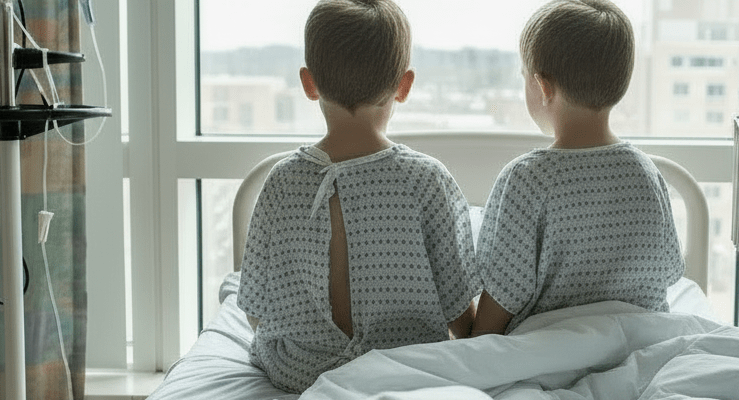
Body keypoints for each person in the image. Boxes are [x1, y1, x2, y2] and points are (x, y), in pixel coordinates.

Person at [237, 0, 478, 392]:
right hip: (404, 371)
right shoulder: (426, 180)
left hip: (300, 373)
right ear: (404, 86)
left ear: (308, 83)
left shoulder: (281, 182)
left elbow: (256, 310)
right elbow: (460, 316)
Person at [471, 0, 684, 336]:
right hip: (639, 344)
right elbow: (668, 271)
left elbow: (503, 293)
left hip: (551, 352)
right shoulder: (646, 173)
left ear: (543, 86)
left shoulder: (527, 178)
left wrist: (474, 343)